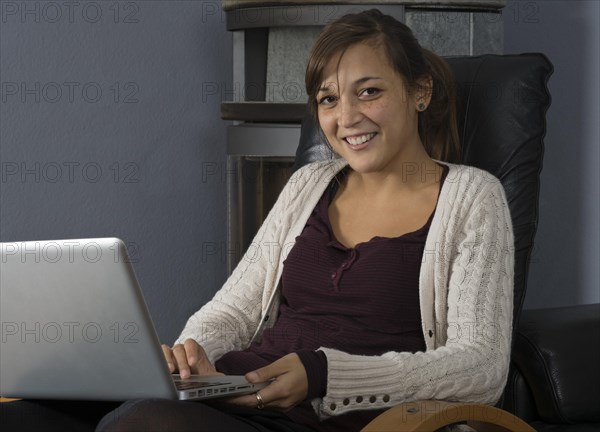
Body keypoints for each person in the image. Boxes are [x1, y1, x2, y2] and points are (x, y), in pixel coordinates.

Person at [2, 9, 514, 432]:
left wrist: (322, 375)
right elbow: (235, 309)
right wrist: (193, 354)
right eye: (329, 99)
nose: (347, 118)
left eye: (369, 91)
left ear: (419, 92)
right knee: (26, 417)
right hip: (238, 392)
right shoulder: (308, 185)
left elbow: (480, 366)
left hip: (319, 419)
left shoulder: (472, 198)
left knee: (143, 423)